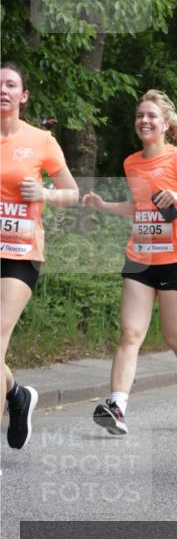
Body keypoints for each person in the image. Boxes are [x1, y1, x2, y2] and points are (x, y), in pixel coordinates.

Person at [82, 90, 177, 436]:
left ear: (166, 124)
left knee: (174, 337)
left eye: (151, 116)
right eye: (140, 115)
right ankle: (117, 407)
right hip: (140, 258)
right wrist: (103, 206)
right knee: (130, 333)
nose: (144, 120)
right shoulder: (131, 162)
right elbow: (138, 206)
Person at [1, 62, 79, 449]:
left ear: (23, 95)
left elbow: (72, 192)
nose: (3, 90)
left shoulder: (42, 140)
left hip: (19, 253)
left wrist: (45, 194)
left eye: (11, 84)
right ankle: (16, 394)